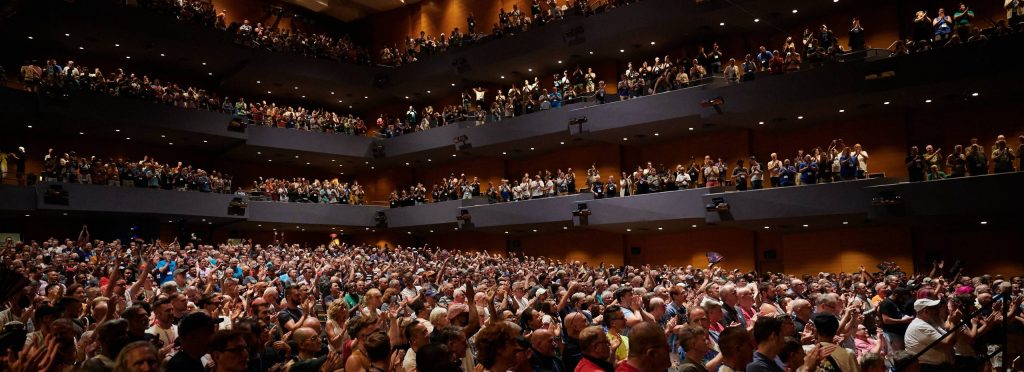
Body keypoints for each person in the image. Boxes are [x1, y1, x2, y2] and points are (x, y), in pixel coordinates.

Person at [905, 298, 957, 372]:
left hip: (938, 367)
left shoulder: (929, 322)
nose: (938, 310)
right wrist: (954, 323)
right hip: (930, 368)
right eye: (935, 308)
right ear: (926, 311)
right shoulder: (920, 326)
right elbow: (947, 343)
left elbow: (946, 331)